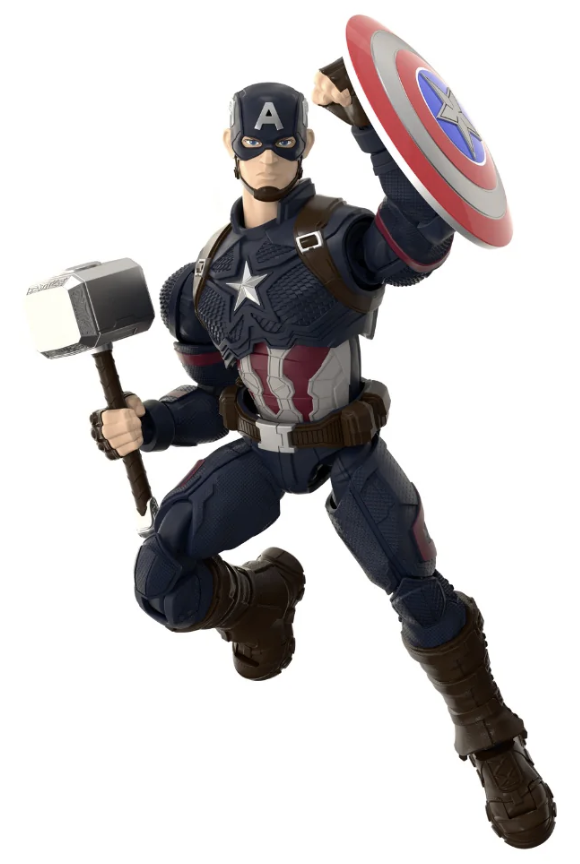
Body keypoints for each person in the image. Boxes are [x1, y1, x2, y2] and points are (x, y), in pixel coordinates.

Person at [90, 59, 555, 848]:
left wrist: (370, 124)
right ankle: (261, 599)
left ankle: (491, 739)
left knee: (417, 587)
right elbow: (216, 400)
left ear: (305, 145)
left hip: (345, 447)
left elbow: (420, 238)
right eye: (253, 142)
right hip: (262, 452)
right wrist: (148, 424)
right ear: (229, 146)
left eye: (283, 142)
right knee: (160, 579)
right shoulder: (197, 282)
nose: (268, 155)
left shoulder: (336, 238)